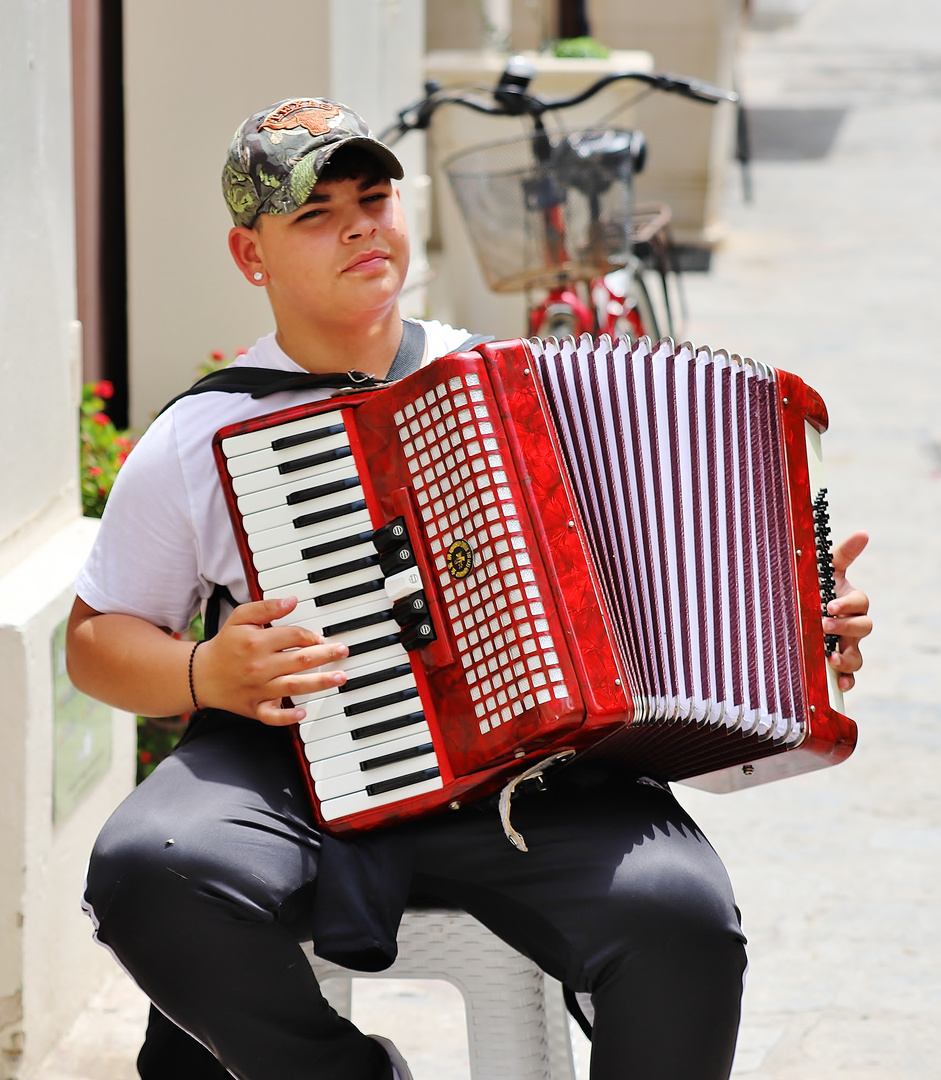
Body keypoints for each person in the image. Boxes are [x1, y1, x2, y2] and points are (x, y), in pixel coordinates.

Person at [67, 97, 873, 1080]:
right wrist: (203, 671)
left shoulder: (507, 387)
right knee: (151, 868)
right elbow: (94, 639)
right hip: (293, 766)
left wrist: (795, 633)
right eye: (314, 212)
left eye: (374, 196)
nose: (359, 223)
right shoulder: (201, 433)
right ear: (252, 257)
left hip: (527, 779)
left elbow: (661, 595)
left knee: (680, 916)